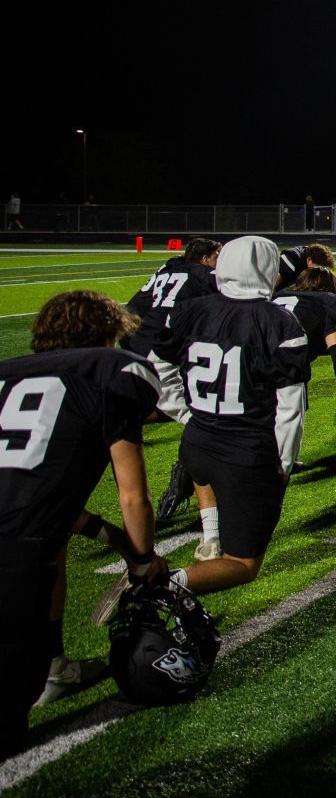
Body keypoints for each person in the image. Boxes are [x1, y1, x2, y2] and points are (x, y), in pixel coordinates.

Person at [1, 291, 165, 750]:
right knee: (13, 695)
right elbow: (133, 495)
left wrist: (106, 534)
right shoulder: (109, 372)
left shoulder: (8, 372)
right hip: (16, 550)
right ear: (107, 331)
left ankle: (56, 667)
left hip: (21, 532)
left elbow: (27, 483)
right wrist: (140, 560)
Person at [154, 237, 310, 596]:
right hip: (244, 452)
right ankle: (161, 586)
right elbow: (290, 407)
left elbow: (158, 367)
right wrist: (283, 465)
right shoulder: (279, 322)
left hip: (196, 443)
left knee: (219, 523)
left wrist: (184, 412)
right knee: (242, 565)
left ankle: (205, 547)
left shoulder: (190, 309)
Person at [124, 237, 222, 522]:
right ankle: (189, 480)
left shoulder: (165, 270)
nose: (220, 260)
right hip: (162, 350)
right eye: (217, 254)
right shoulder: (205, 274)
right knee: (201, 421)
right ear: (205, 258)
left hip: (141, 345)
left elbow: (132, 307)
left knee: (189, 404)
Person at [272, 266, 336, 495]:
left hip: (244, 365)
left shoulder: (276, 297)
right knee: (288, 412)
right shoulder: (331, 305)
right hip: (284, 373)